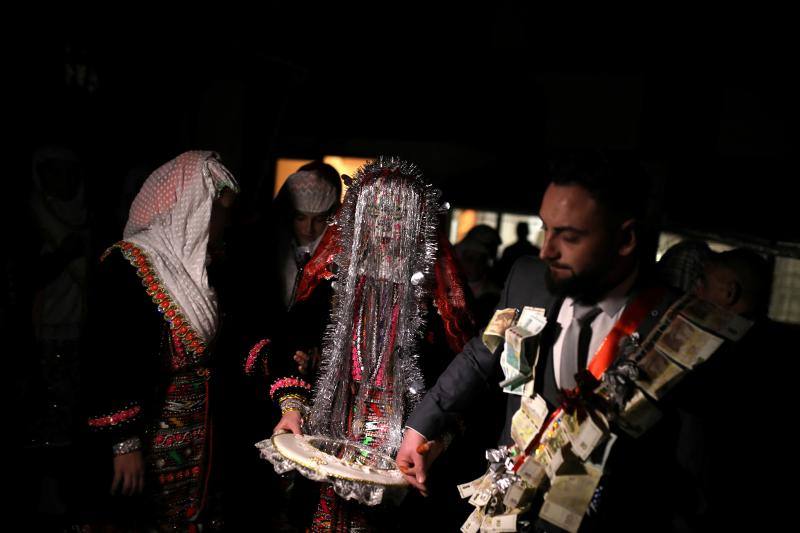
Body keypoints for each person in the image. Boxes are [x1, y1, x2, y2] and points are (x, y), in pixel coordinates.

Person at [397, 150, 720, 531]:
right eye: (545, 229)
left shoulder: (681, 329)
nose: (546, 250)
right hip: (507, 509)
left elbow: (690, 483)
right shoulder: (528, 279)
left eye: (568, 236)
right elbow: (481, 355)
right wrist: (421, 427)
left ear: (626, 238)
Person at [266, 156, 474, 531]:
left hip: (401, 449)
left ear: (416, 226)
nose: (383, 232)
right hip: (327, 439)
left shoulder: (438, 302)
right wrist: (292, 406)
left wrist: (434, 444)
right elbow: (287, 341)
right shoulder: (330, 283)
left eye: (395, 220)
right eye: (373, 218)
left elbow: (461, 388)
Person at [81, 151, 238, 531]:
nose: (224, 222)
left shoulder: (205, 267)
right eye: (219, 210)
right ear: (192, 206)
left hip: (199, 433)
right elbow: (107, 358)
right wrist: (125, 443)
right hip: (146, 435)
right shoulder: (128, 266)